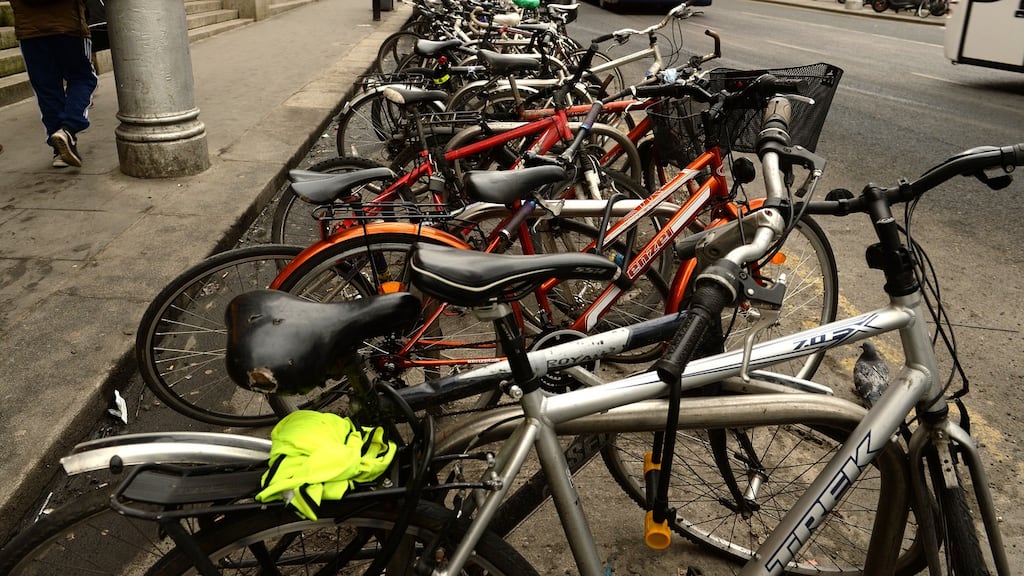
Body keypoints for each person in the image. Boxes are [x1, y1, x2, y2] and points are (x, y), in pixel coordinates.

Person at [10, 0, 98, 168]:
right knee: (84, 78)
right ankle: (69, 129)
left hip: (30, 30)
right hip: (68, 25)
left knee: (47, 90)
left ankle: (59, 151)